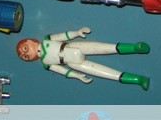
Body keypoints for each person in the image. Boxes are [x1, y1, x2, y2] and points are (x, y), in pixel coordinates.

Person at [16, 27, 150, 90]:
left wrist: (77, 33)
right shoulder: (46, 64)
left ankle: (135, 48)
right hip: (73, 63)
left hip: (73, 47)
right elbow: (63, 71)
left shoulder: (47, 39)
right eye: (25, 56)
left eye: (25, 48)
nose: (26, 53)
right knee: (107, 74)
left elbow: (64, 36)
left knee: (107, 48)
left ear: (30, 41)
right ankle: (137, 79)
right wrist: (78, 76)